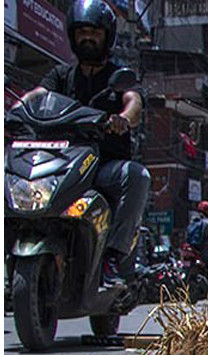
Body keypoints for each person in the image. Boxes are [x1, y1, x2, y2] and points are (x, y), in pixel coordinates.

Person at [24, 0, 149, 289]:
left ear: (107, 36)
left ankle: (113, 257)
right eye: (82, 32)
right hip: (60, 164)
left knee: (136, 175)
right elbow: (37, 94)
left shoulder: (118, 77)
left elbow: (134, 102)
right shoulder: (61, 76)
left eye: (94, 32)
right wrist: (13, 110)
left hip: (102, 167)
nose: (88, 38)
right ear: (72, 36)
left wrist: (123, 119)